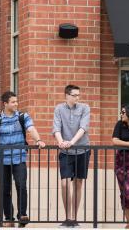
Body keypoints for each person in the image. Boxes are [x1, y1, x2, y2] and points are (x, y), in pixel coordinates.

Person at [0, 91, 46, 228]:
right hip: (2, 159)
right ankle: (9, 218)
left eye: (17, 101)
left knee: (21, 186)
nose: (16, 104)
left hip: (19, 157)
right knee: (5, 189)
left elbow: (31, 128)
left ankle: (22, 214)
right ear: (5, 104)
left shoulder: (23, 117)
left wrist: (38, 140)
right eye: (13, 102)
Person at [53, 84, 90, 228]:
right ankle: (68, 217)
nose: (77, 97)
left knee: (78, 183)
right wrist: (61, 142)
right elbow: (56, 128)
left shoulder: (85, 108)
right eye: (74, 95)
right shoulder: (59, 109)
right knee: (64, 183)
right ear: (67, 95)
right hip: (65, 152)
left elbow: (83, 127)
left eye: (78, 95)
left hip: (82, 150)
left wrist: (72, 142)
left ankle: (74, 217)